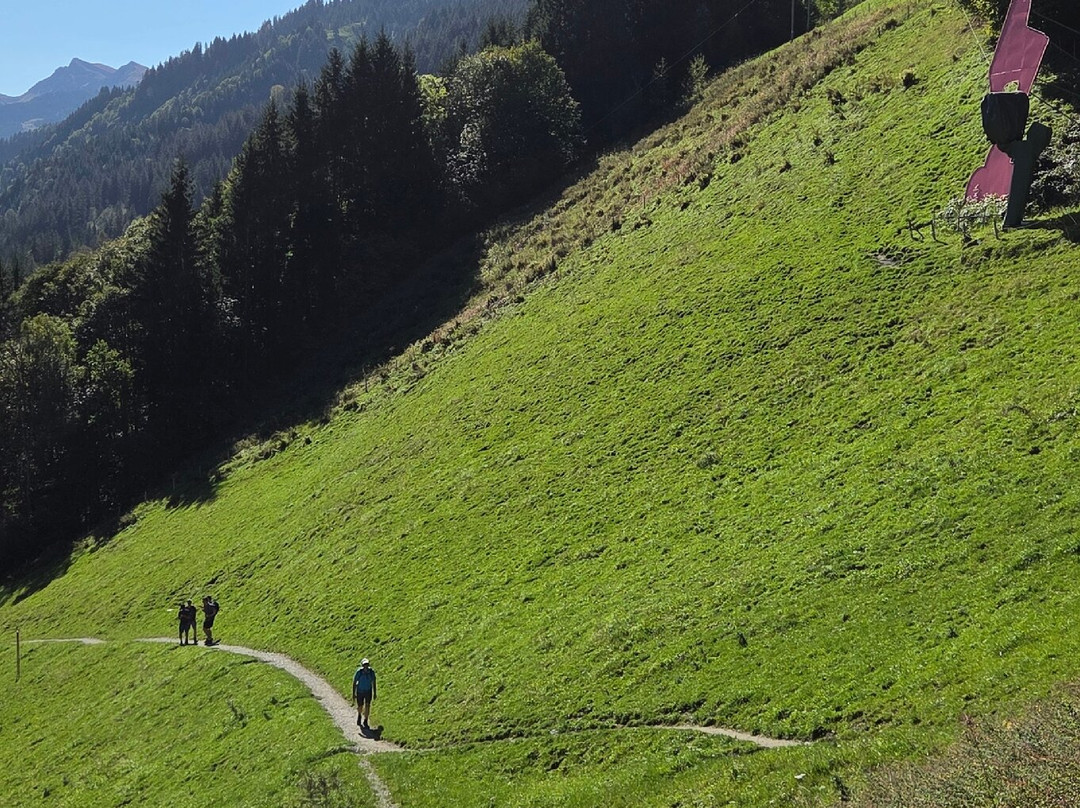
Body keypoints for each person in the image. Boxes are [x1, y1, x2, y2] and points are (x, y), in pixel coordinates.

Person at [353, 658, 377, 730]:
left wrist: (374, 693)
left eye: (367, 664)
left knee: (367, 705)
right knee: (360, 706)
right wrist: (353, 693)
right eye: (364, 665)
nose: (366, 666)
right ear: (362, 665)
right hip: (360, 691)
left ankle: (366, 720)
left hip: (368, 691)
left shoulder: (371, 672)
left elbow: (374, 682)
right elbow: (354, 682)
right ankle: (359, 715)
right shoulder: (359, 672)